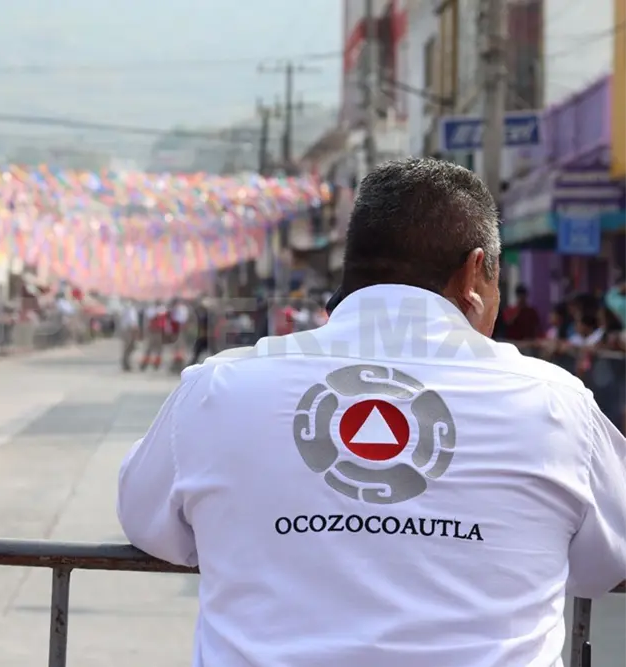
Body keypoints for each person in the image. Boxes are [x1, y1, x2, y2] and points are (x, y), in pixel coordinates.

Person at [117, 157, 626, 667]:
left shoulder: (220, 388)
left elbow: (148, 523)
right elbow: (605, 561)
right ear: (475, 274)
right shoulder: (556, 403)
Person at [118, 300, 140, 371]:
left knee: (130, 347)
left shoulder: (127, 309)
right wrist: (135, 330)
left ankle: (126, 363)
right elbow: (132, 321)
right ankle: (126, 363)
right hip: (129, 330)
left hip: (127, 329)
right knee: (129, 347)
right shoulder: (130, 309)